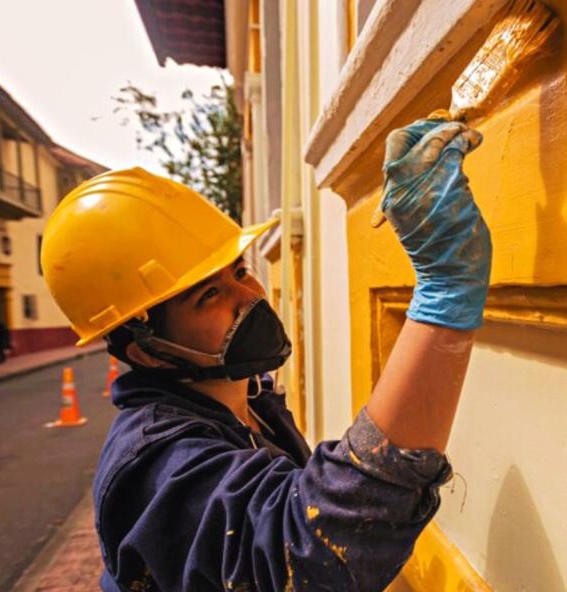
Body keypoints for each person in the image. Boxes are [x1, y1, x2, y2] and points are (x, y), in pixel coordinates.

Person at [40, 118, 489, 591]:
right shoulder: (156, 463)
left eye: (238, 271)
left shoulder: (248, 401)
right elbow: (309, 554)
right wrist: (445, 291)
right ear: (147, 352)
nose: (247, 295)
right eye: (207, 295)